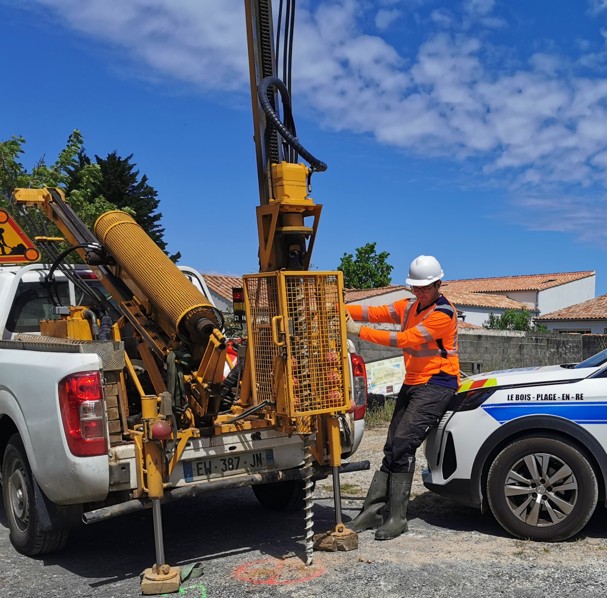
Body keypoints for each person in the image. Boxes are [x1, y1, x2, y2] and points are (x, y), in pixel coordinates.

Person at [345, 255, 459, 541]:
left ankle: (397, 517)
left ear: (438, 284)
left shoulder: (443, 314)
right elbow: (375, 312)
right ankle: (372, 512)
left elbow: (406, 339)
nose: (420, 292)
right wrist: (338, 308)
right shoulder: (408, 306)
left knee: (403, 443)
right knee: (390, 447)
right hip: (414, 382)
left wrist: (358, 332)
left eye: (425, 287)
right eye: (416, 288)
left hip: (438, 383)